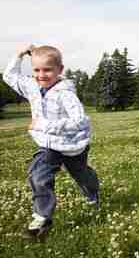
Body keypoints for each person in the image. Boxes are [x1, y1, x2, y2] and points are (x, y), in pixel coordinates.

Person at [3, 45, 99, 239]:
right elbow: (9, 76)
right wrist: (20, 54)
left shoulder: (65, 93)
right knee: (38, 174)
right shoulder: (33, 86)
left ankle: (93, 194)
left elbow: (80, 121)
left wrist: (45, 125)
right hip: (49, 145)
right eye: (36, 70)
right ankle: (42, 217)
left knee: (82, 176)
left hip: (73, 146)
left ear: (59, 70)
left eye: (47, 69)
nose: (41, 75)